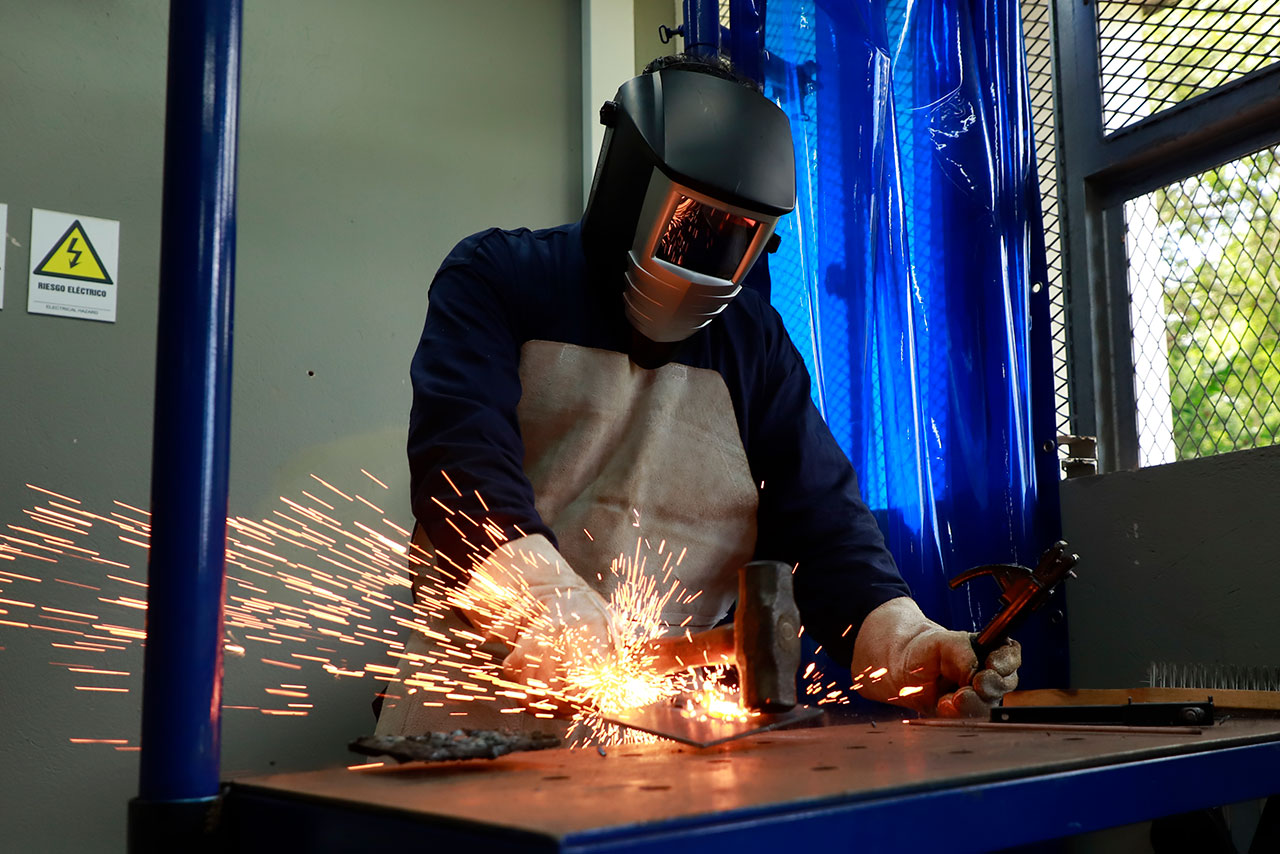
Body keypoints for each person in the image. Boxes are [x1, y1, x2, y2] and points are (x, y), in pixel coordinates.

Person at [374, 54, 1020, 737]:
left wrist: (907, 648)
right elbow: (462, 471)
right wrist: (550, 606)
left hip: (667, 724)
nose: (705, 258)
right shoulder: (500, 278)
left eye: (735, 238)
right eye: (692, 225)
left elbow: (824, 531)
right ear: (631, 182)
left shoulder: (752, 343)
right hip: (481, 707)